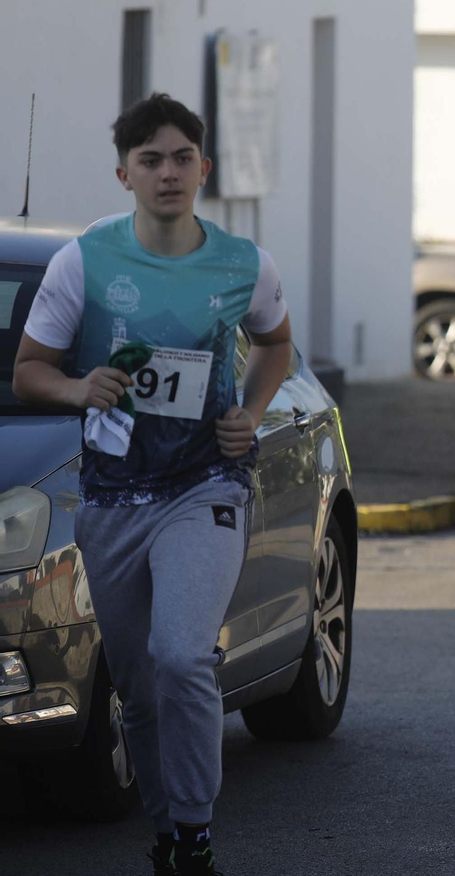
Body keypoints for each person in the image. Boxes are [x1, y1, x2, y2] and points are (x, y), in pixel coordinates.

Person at [12, 93, 292, 876]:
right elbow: (30, 371)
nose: (167, 173)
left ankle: (196, 836)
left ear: (204, 167)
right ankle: (170, 833)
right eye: (149, 160)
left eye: (180, 158)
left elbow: (276, 345)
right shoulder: (85, 261)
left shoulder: (244, 264)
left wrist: (253, 412)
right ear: (124, 173)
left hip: (205, 487)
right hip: (111, 498)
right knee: (137, 686)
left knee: (180, 655)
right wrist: (81, 388)